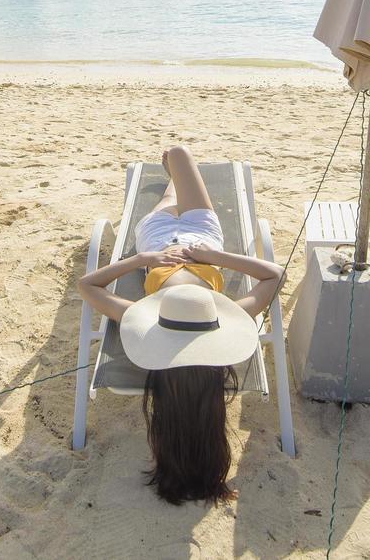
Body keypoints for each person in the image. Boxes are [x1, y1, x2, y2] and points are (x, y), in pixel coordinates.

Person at [76, 145, 284, 505]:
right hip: (204, 235)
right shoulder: (223, 316)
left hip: (156, 240)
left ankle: (171, 179)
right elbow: (274, 276)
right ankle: (172, 176)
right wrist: (214, 257)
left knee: (175, 159)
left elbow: (87, 285)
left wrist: (142, 259)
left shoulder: (146, 320)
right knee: (180, 156)